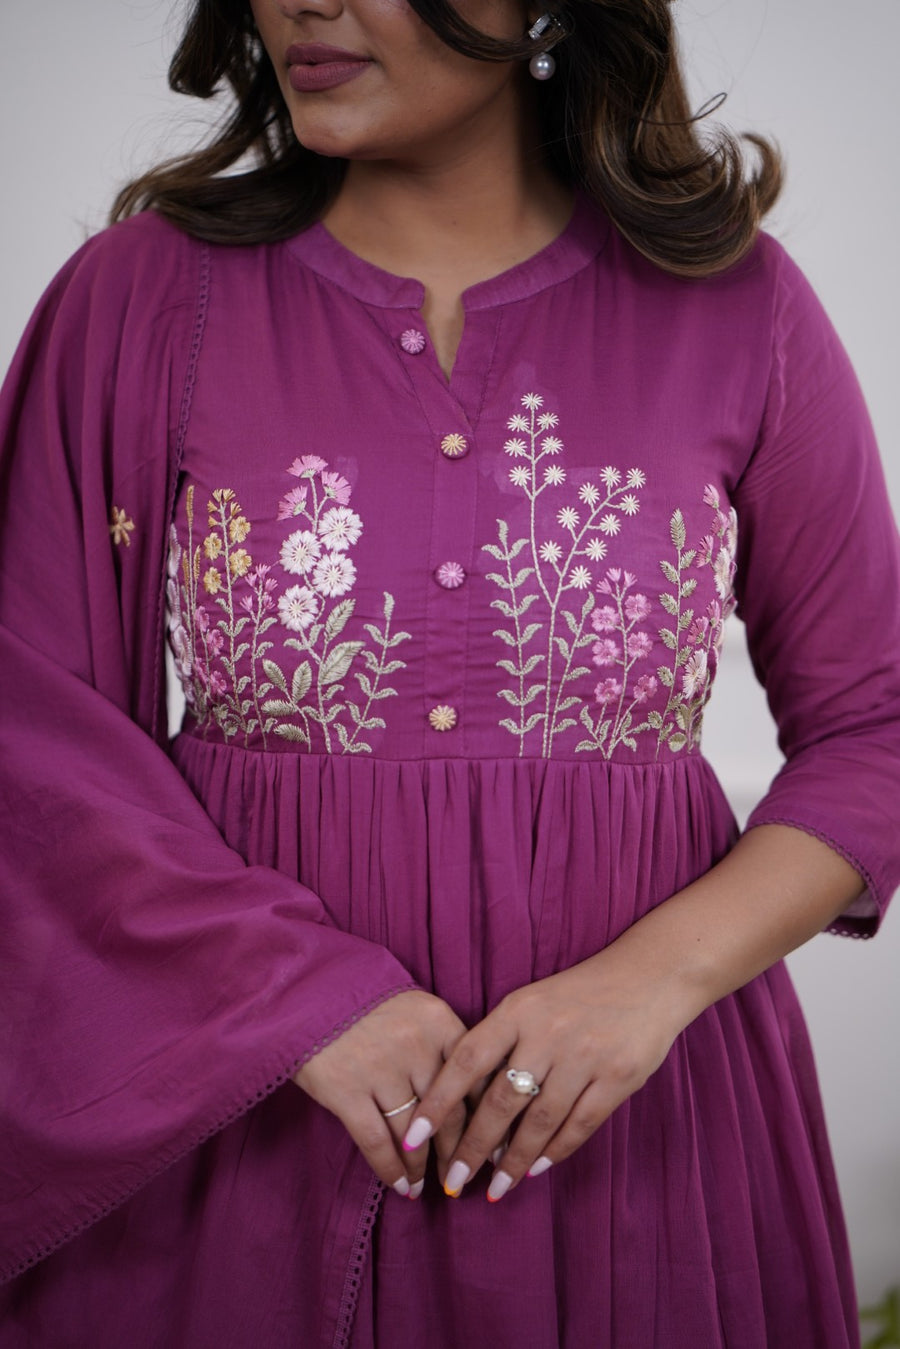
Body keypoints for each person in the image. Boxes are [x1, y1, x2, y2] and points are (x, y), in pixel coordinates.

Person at [1, 1, 898, 1345]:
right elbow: (30, 728)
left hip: (640, 1132)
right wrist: (293, 1001)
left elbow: (877, 725)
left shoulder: (737, 304)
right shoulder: (141, 298)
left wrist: (653, 982)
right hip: (249, 1124)